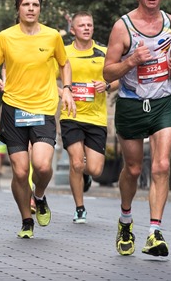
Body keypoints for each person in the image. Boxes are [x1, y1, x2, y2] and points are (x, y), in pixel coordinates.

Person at [0, 0, 76, 239]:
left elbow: (64, 64)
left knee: (42, 166)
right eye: (26, 5)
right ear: (19, 9)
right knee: (21, 171)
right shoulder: (5, 37)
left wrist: (66, 89)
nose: (31, 9)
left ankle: (40, 196)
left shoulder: (52, 36)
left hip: (43, 107)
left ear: (40, 8)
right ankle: (26, 219)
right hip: (13, 107)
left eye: (35, 5)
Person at [103, 0, 171, 257]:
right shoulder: (122, 27)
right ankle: (125, 220)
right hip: (132, 102)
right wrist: (132, 60)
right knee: (134, 168)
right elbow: (108, 70)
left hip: (163, 100)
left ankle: (155, 232)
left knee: (161, 165)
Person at [60, 11, 120, 224]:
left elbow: (117, 80)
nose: (86, 28)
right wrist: (65, 92)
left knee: (94, 169)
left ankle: (83, 175)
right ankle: (79, 207)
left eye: (89, 25)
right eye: (82, 25)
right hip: (71, 115)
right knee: (76, 162)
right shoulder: (63, 53)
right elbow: (48, 81)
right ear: (73, 30)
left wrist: (107, 85)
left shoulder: (104, 52)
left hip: (96, 117)